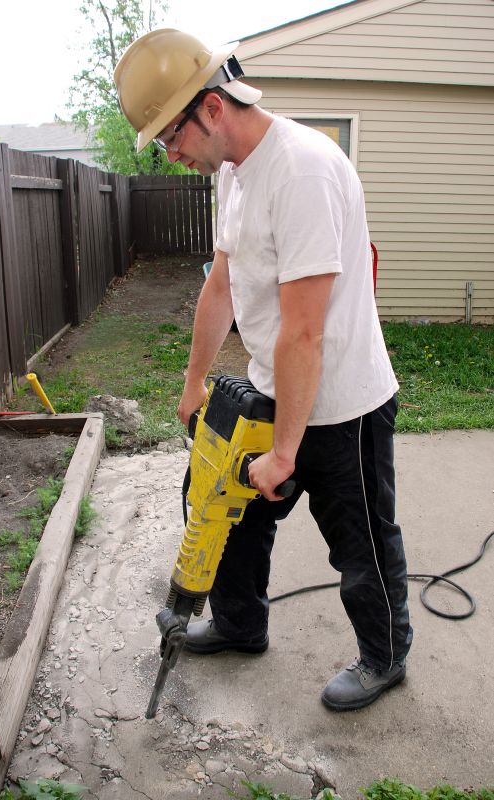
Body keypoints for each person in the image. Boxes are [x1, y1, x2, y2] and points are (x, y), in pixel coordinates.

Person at [114, 28, 413, 711]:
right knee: (231, 516)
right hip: (273, 390)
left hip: (341, 402)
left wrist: (284, 452)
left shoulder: (302, 168)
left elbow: (304, 331)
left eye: (170, 136)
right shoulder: (232, 172)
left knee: (360, 544)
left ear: (211, 108)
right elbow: (222, 285)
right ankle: (241, 625)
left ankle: (384, 657)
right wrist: (194, 380)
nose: (172, 153)